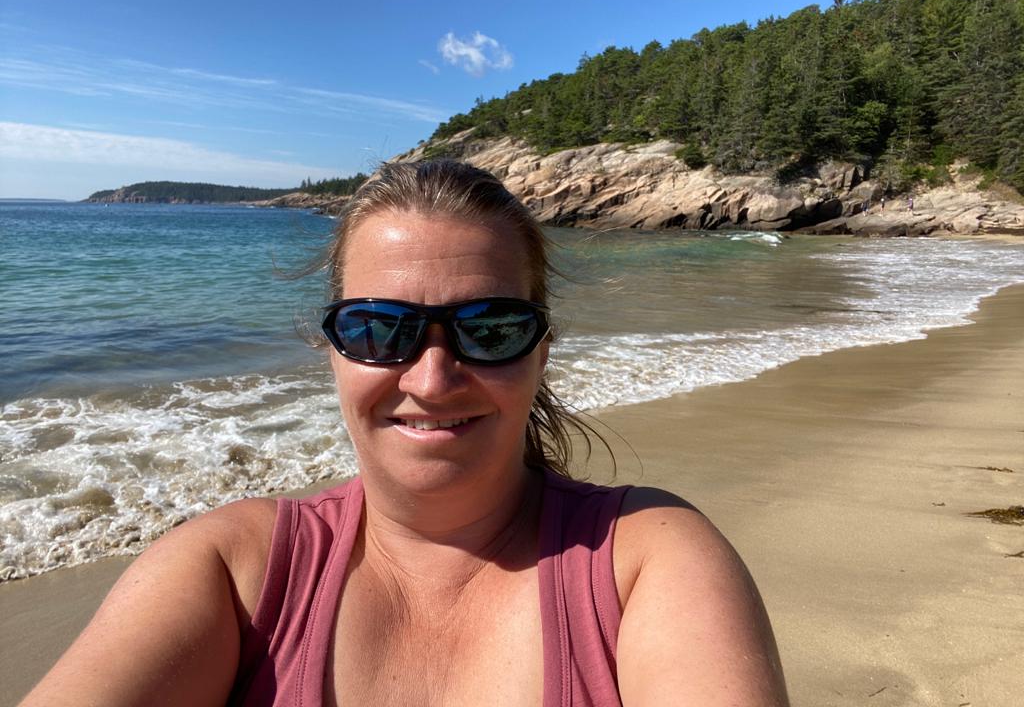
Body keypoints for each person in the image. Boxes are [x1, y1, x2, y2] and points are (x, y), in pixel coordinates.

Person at [19, 160, 788, 706]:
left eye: (491, 329)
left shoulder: (645, 561)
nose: (431, 378)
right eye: (379, 328)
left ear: (542, 350)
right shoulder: (231, 571)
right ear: (332, 348)